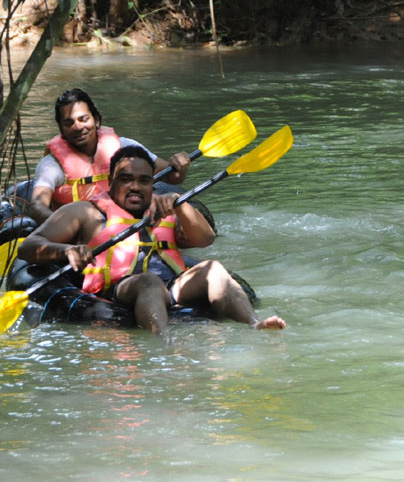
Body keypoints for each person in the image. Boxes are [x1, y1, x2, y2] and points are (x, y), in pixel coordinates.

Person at [18, 145, 286, 335]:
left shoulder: (163, 207)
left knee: (213, 268)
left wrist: (181, 206)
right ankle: (162, 342)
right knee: (148, 281)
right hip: (118, 290)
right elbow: (28, 246)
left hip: (173, 287)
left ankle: (254, 323)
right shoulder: (86, 211)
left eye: (143, 181)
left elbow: (205, 240)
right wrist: (66, 251)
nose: (135, 186)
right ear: (111, 182)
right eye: (126, 179)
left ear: (152, 185)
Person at [29, 88, 192, 223]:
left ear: (97, 120)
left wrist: (180, 165)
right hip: (83, 232)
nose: (78, 127)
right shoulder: (51, 164)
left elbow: (173, 177)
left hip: (127, 226)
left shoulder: (126, 148)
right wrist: (67, 228)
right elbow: (37, 207)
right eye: (69, 123)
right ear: (61, 130)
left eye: (83, 119)